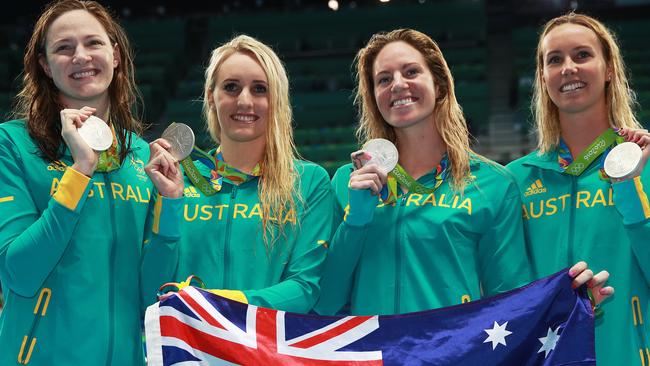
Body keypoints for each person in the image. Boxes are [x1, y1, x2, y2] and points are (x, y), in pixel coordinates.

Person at [313, 28, 538, 316]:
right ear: (374, 96)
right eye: (384, 79)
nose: (397, 85)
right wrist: (355, 221)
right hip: (372, 357)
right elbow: (325, 303)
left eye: (411, 72)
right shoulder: (349, 181)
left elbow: (511, 304)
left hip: (451, 355)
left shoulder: (492, 184)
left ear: (440, 86)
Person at [0, 0, 150, 365]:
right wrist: (80, 171)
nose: (81, 56)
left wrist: (173, 207)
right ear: (45, 66)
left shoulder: (142, 157)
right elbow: (19, 273)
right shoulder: (13, 144)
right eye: (64, 48)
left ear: (115, 55)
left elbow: (153, 283)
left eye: (93, 43)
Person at [140, 35, 334, 314]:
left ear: (276, 98)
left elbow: (305, 289)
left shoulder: (309, 182)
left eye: (259, 89)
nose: (244, 101)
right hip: (190, 353)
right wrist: (170, 202)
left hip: (264, 352)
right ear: (211, 95)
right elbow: (150, 291)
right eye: (231, 87)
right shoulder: (175, 179)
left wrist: (215, 304)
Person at [507, 12, 646, 365]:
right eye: (555, 60)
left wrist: (629, 186)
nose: (568, 68)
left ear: (610, 68)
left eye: (582, 55)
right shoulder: (514, 181)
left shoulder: (646, 164)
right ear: (543, 77)